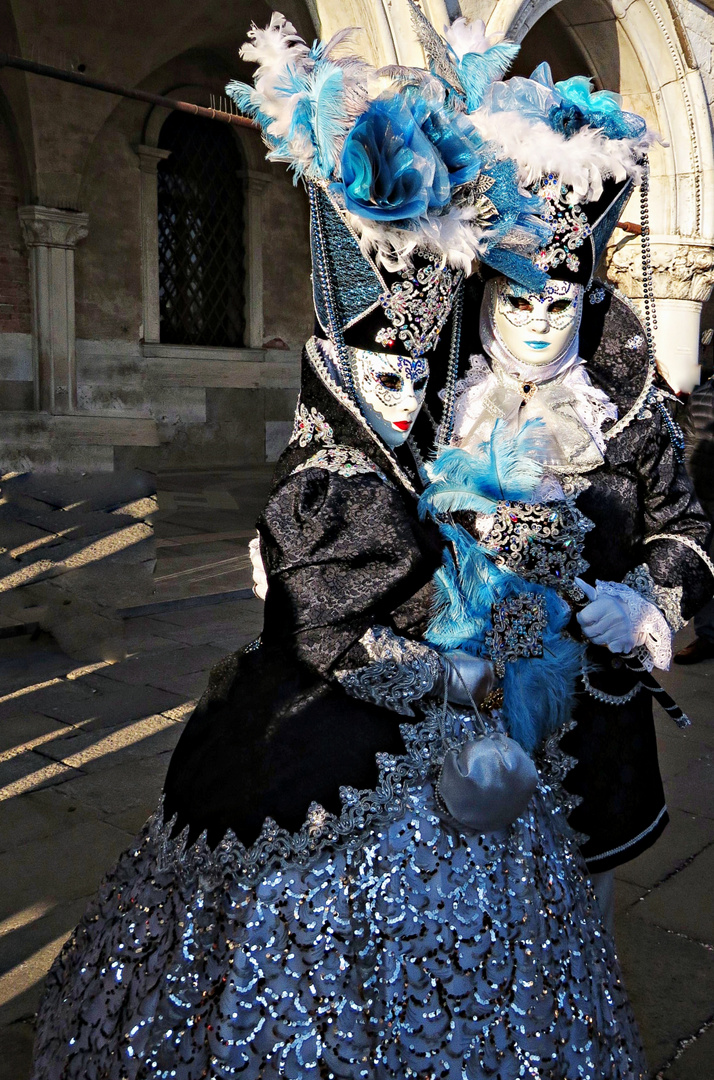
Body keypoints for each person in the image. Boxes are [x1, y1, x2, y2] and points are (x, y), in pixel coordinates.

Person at [32, 11, 649, 1079]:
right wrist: (449, 670)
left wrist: (628, 603)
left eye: (419, 375)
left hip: (543, 747)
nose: (406, 398)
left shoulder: (575, 401)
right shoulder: (328, 486)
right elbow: (329, 628)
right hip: (356, 749)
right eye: (384, 376)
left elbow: (648, 532)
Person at [419, 54, 714, 927]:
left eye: (560, 306)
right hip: (454, 705)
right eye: (520, 305)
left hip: (589, 724)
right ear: (485, 302)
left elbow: (688, 532)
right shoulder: (432, 398)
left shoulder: (624, 404)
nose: (542, 325)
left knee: (576, 922)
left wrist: (647, 604)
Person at [674, 372, 714, 663]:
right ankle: (708, 637)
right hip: (704, 496)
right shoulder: (701, 396)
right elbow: (688, 444)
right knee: (706, 567)